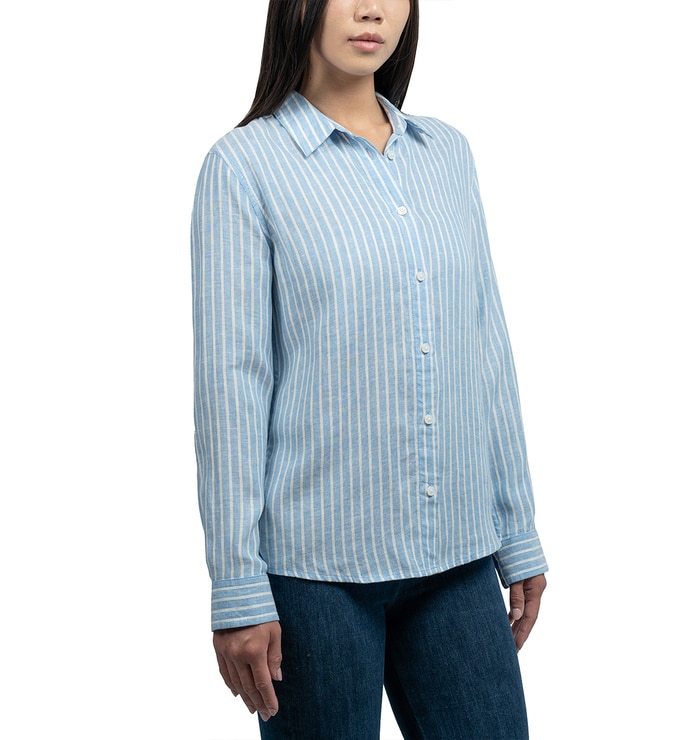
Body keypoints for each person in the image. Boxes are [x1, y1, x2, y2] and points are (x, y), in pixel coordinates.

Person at [190, 1, 548, 737]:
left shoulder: (446, 153)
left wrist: (517, 529)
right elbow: (231, 385)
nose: (371, 9)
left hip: (457, 556)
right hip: (315, 573)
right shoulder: (244, 166)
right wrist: (237, 585)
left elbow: (485, 344)